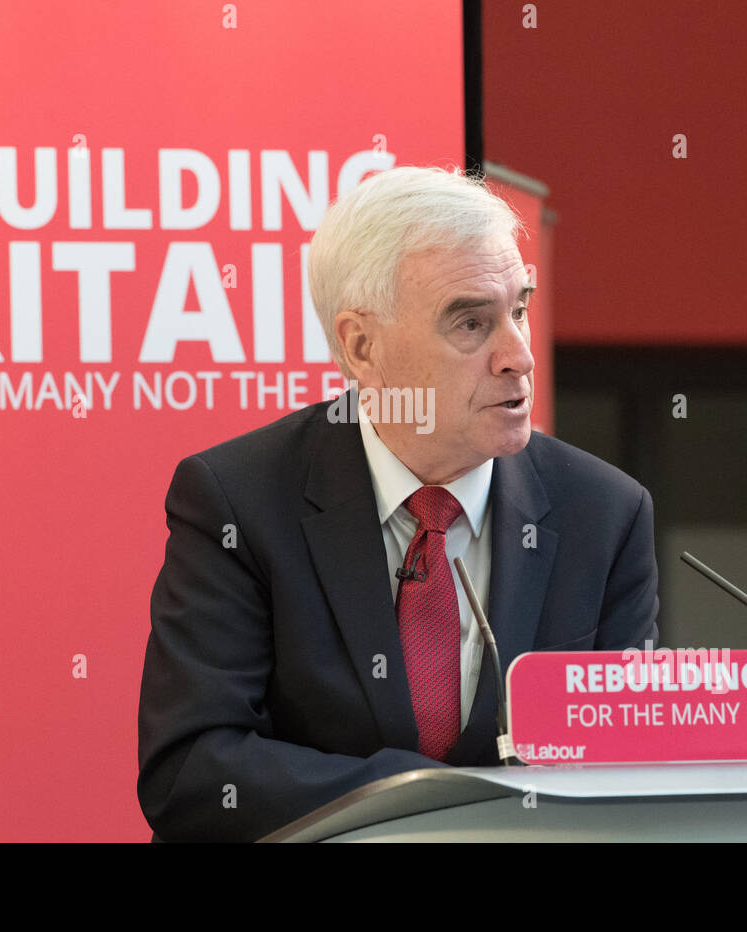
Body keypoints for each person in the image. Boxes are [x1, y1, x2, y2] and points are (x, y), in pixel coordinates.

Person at [137, 166, 660, 842]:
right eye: (472, 322)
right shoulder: (239, 500)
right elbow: (193, 770)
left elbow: (632, 773)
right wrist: (431, 804)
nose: (519, 356)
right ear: (362, 347)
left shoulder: (604, 514)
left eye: (520, 310)